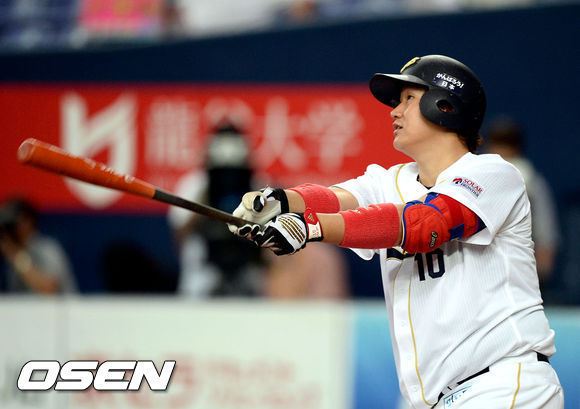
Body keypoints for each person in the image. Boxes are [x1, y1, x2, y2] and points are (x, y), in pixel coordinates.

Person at [228, 55, 563, 408]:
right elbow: (335, 199)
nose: (394, 112)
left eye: (408, 99)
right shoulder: (392, 181)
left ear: (445, 106)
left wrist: (310, 228)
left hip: (504, 383)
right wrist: (278, 201)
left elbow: (424, 224)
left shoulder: (494, 174)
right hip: (448, 398)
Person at [484, 116, 559, 284]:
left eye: (507, 144)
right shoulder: (476, 175)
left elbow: (545, 224)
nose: (502, 150)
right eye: (497, 143)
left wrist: (544, 257)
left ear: (517, 148)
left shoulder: (529, 179)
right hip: (484, 260)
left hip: (518, 261)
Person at [0, 198, 76, 294]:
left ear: (28, 222)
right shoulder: (8, 250)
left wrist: (16, 257)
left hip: (60, 303)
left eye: (13, 224)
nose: (11, 229)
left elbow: (50, 290)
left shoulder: (47, 249)